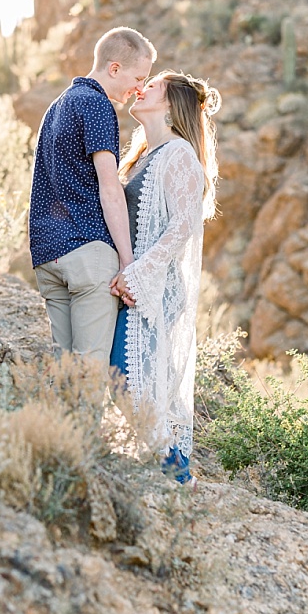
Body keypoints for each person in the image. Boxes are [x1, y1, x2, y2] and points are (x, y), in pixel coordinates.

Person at [108, 70, 219, 485]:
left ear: (170, 103)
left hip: (154, 290)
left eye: (151, 86)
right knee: (129, 380)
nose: (141, 88)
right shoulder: (141, 156)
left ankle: (178, 477)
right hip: (135, 284)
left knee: (130, 379)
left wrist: (140, 272)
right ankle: (167, 473)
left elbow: (184, 224)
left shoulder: (179, 155)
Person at [29, 27, 155, 360]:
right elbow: (109, 188)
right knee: (88, 376)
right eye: (139, 78)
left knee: (68, 376)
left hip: (47, 255)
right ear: (114, 68)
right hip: (88, 252)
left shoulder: (57, 106)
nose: (140, 89)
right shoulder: (97, 105)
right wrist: (128, 264)